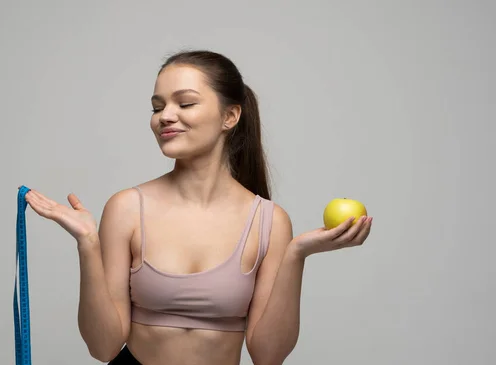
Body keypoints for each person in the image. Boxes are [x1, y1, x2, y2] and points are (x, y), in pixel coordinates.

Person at [23, 50, 373, 365]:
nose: (165, 117)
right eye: (157, 107)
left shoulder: (269, 221)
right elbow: (103, 348)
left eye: (185, 103)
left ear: (230, 116)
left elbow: (268, 356)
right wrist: (88, 244)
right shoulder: (126, 208)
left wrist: (297, 254)